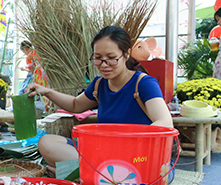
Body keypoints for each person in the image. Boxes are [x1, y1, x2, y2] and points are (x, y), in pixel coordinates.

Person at [26, 26, 173, 175]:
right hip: (103, 152)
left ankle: (84, 171)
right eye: (98, 58)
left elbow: (164, 122)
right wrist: (47, 92)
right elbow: (75, 105)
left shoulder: (143, 83)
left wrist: (125, 146)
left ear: (127, 54)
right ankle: (96, 171)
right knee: (47, 143)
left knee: (151, 172)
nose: (104, 64)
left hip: (138, 157)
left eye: (111, 58)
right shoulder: (99, 85)